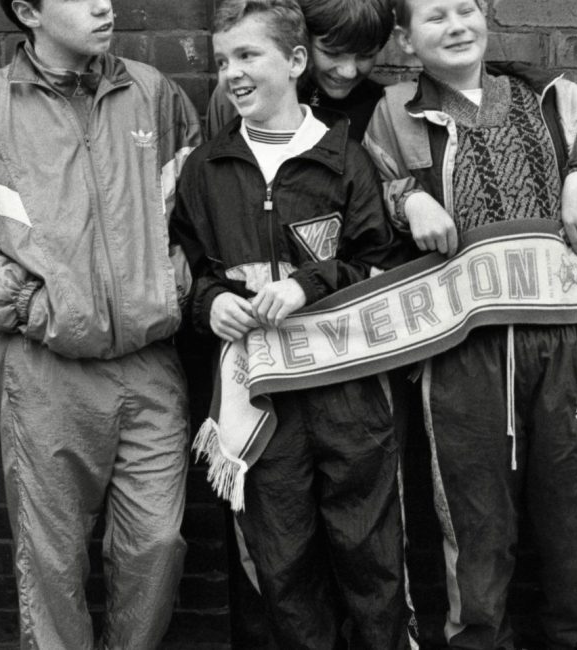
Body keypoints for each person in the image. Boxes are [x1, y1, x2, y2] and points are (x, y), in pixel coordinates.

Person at [0, 0, 201, 646]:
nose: (103, 4)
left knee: (158, 542)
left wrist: (171, 287)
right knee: (49, 563)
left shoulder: (152, 92)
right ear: (28, 12)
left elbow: (200, 208)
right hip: (44, 371)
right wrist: (27, 304)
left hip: (149, 362)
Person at [364, 0, 577, 647]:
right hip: (464, 351)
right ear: (405, 37)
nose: (454, 25)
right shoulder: (394, 114)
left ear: (485, 18)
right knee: (476, 528)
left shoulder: (558, 98)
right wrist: (409, 197)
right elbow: (372, 190)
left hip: (567, 340)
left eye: (465, 8)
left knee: (573, 518)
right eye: (434, 16)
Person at [170, 1, 410, 647]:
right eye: (223, 62)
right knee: (281, 564)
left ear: (297, 60)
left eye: (248, 56)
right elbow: (185, 265)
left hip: (349, 393)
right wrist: (208, 302)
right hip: (261, 398)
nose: (232, 74)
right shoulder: (206, 168)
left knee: (371, 557)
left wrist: (309, 283)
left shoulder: (345, 158)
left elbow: (379, 263)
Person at [205, 0, 395, 140]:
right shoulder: (239, 96)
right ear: (301, 41)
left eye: (365, 56)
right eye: (332, 53)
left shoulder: (383, 111)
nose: (349, 71)